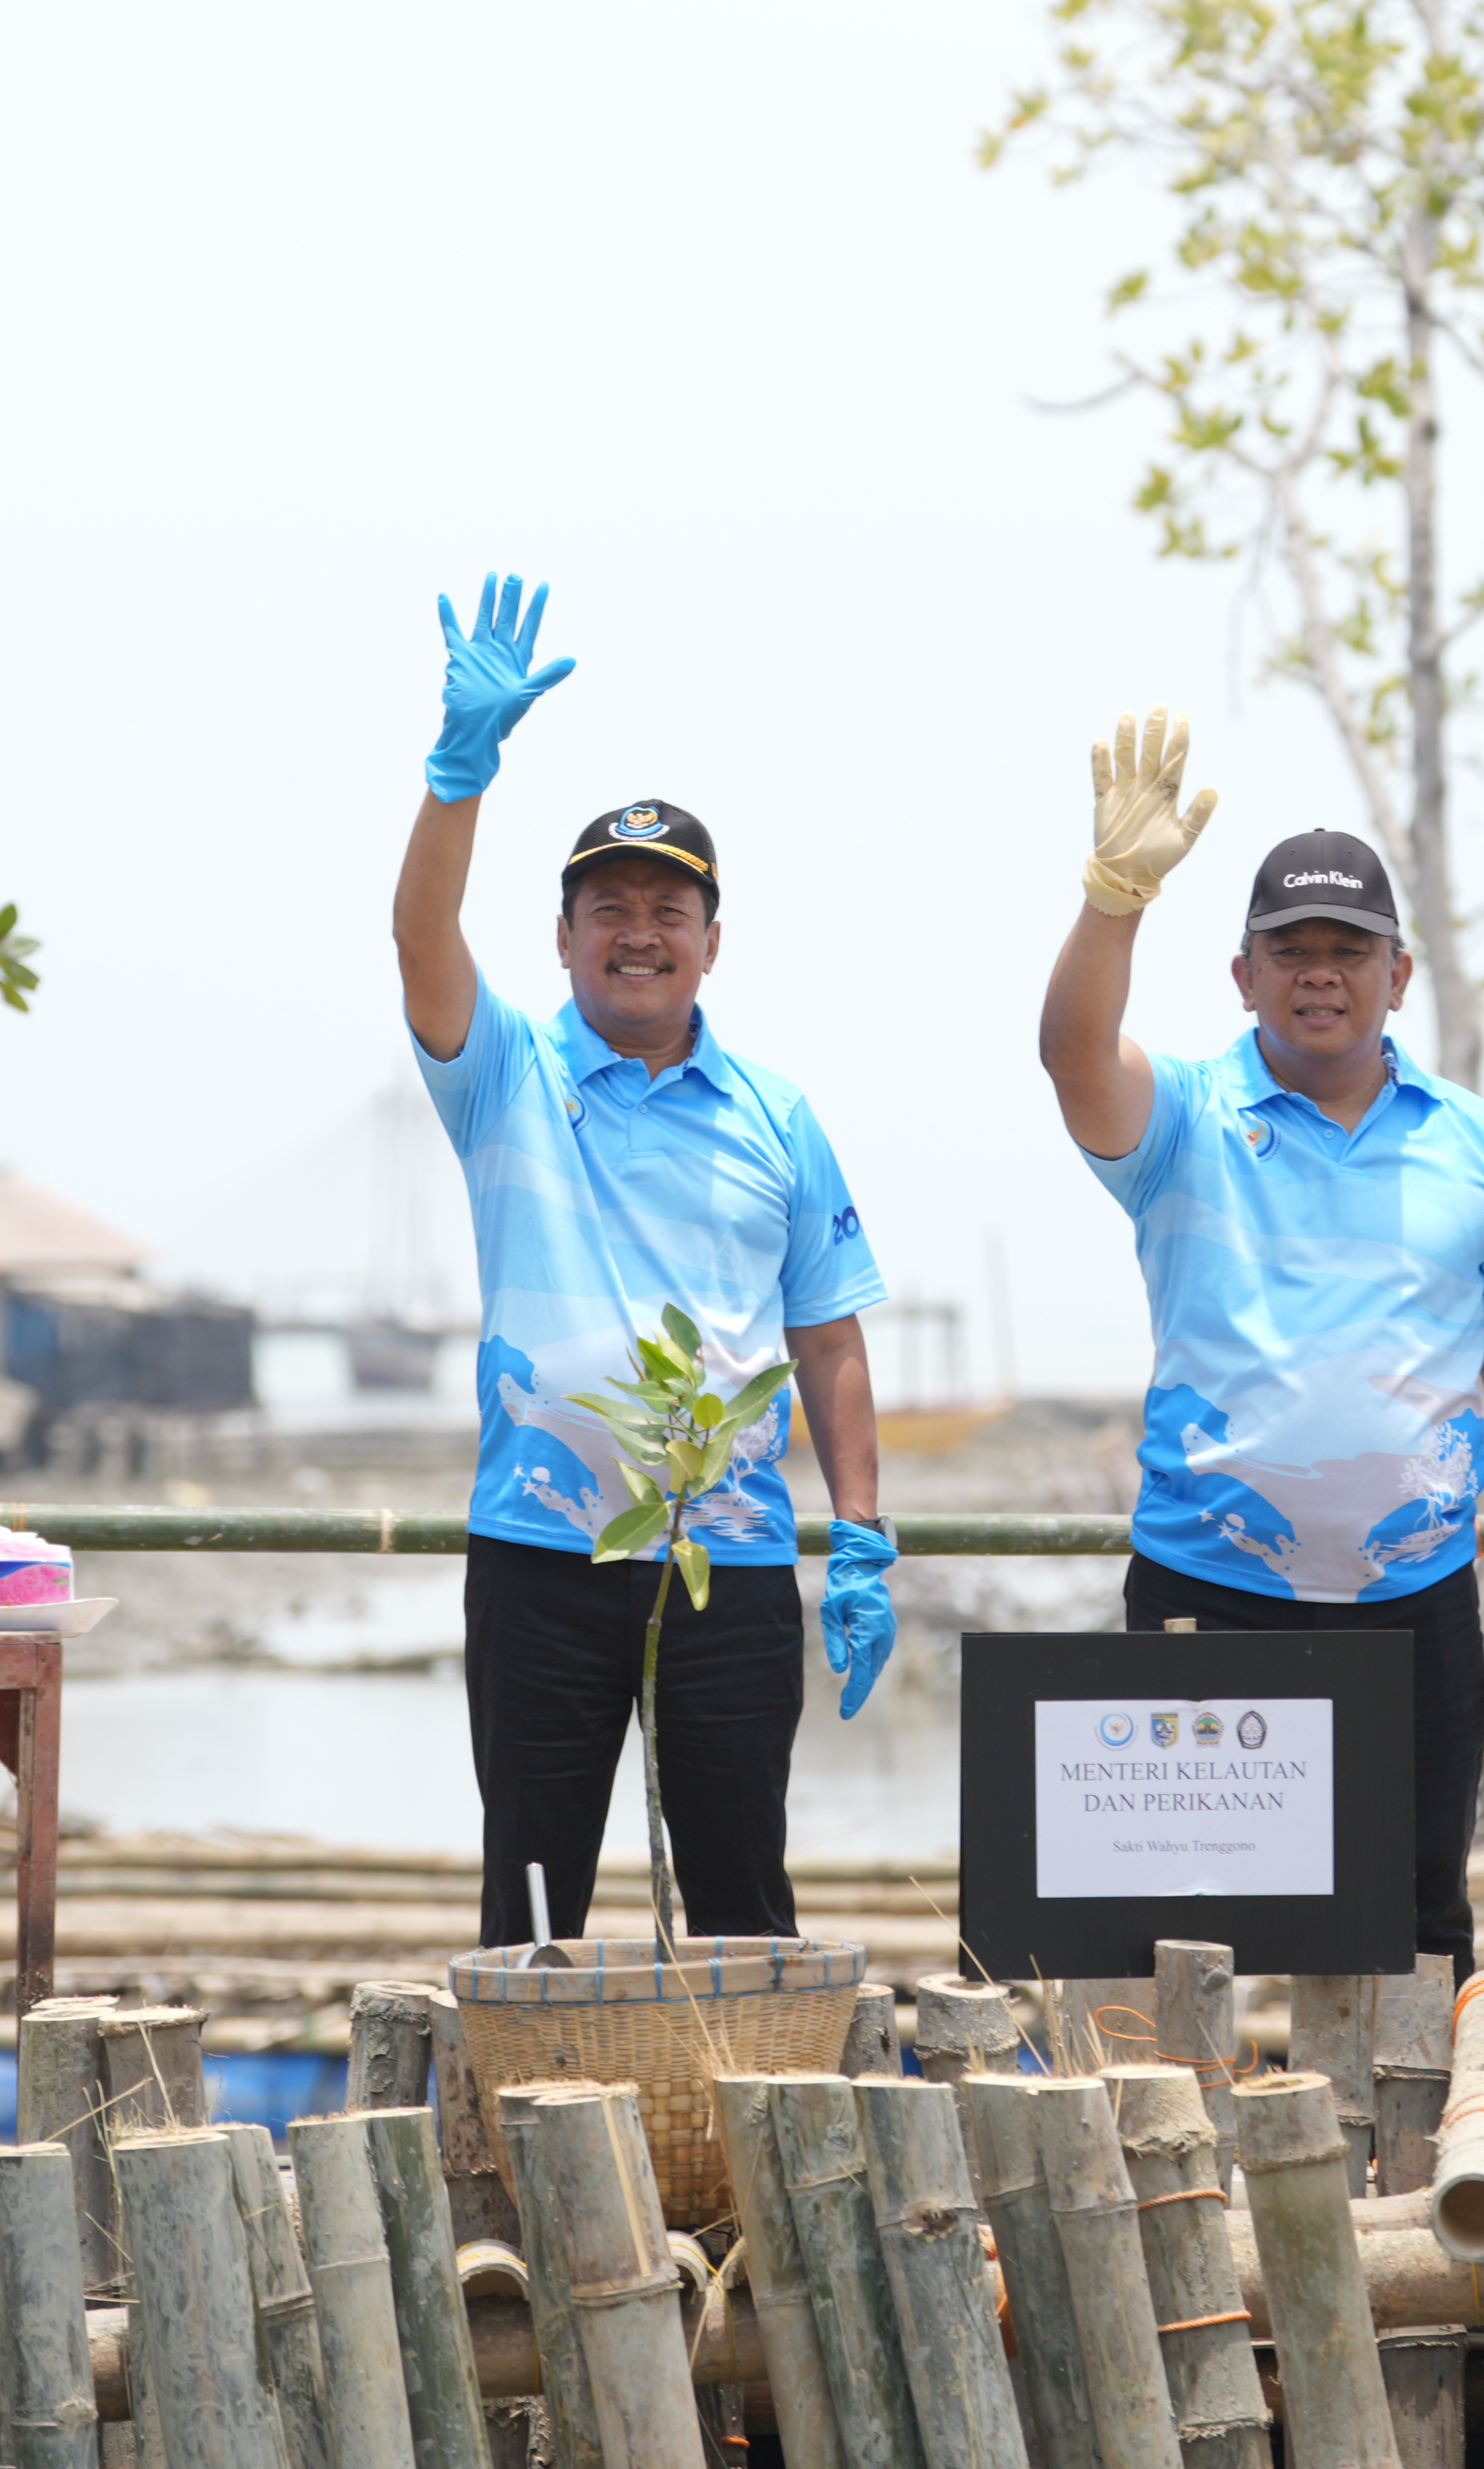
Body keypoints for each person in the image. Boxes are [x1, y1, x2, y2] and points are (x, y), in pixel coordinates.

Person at [392, 575, 891, 1952]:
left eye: (669, 908)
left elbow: (830, 1337)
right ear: (560, 937)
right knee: (533, 1905)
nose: (637, 929)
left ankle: (758, 2158)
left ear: (710, 942)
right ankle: (505, 2156)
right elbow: (421, 940)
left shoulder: (777, 1116)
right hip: (540, 1557)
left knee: (741, 1896)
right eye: (605, 903)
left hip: (725, 1559)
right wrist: (458, 778)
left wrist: (854, 1528)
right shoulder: (500, 1075)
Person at [1039, 710, 1484, 1967]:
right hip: (1205, 1596)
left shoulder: (1479, 1145)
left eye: (1349, 948)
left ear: (1399, 971)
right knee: (1184, 1931)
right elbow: (1069, 1056)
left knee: (1415, 1923)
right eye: (1289, 948)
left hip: (1413, 1600)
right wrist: (1115, 896)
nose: (1318, 971)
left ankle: (1419, 2161)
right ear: (1242, 974)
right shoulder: (1181, 1115)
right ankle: (1191, 2165)